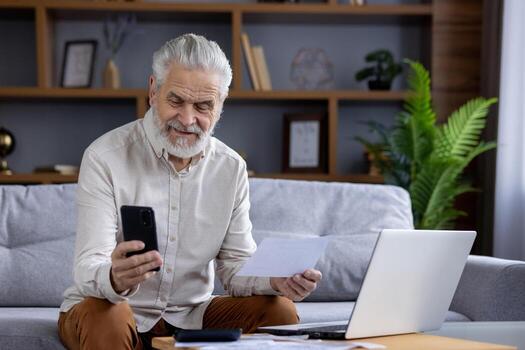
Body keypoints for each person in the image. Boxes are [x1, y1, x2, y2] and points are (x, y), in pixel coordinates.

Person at [57, 33, 322, 350]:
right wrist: (114, 278)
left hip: (191, 316)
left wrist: (276, 281)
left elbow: (235, 268)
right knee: (109, 316)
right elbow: (88, 268)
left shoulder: (231, 168)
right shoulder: (105, 157)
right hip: (107, 309)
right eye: (176, 100)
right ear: (153, 91)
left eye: (203, 106)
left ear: (220, 106)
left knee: (278, 310)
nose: (187, 119)